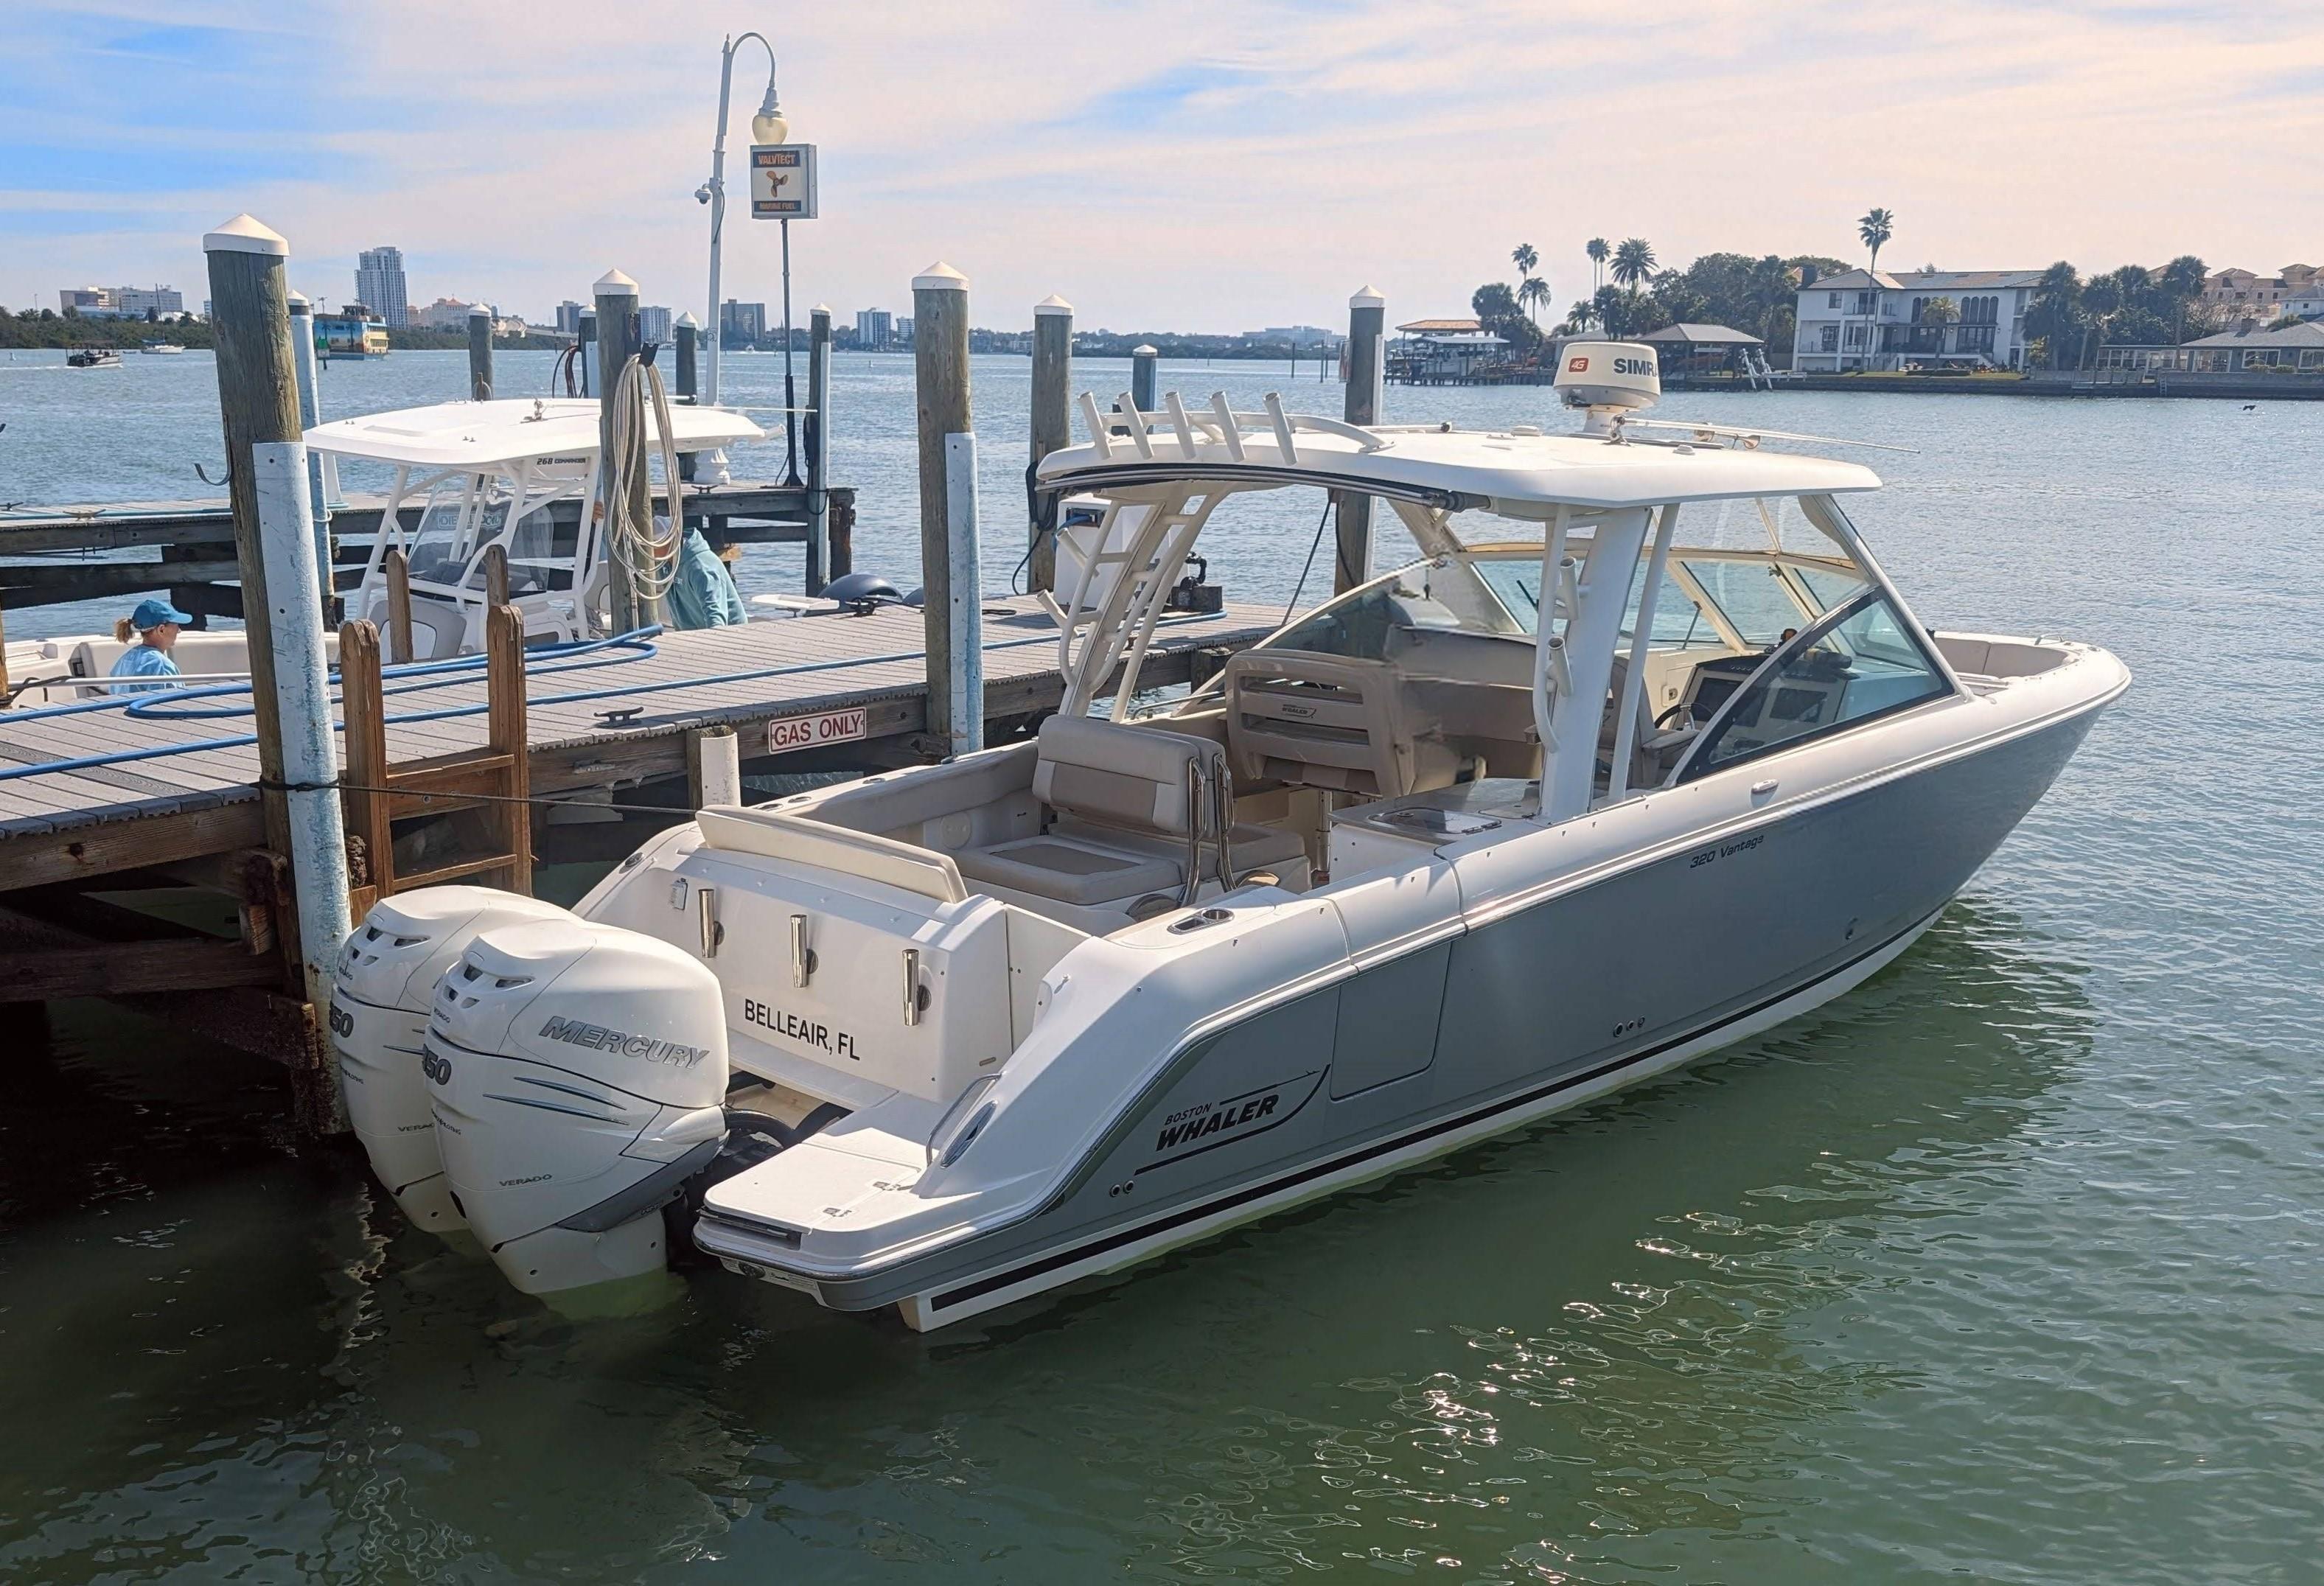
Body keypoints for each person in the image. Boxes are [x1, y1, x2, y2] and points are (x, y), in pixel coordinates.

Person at [109, 598, 190, 691]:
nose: (179, 630)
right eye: (176, 625)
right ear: (162, 630)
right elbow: (172, 703)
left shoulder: (125, 660)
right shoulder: (161, 666)